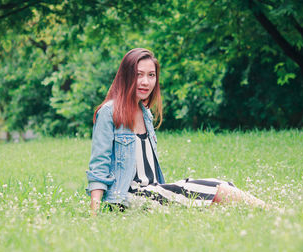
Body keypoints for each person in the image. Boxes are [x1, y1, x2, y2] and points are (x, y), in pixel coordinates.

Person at [86, 48, 266, 215]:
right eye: (138, 75)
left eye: (151, 75)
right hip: (129, 197)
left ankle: (266, 211)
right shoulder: (109, 112)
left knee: (223, 186)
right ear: (126, 77)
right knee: (217, 190)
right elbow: (99, 165)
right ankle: (272, 211)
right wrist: (95, 214)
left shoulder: (145, 113)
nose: (145, 82)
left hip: (154, 190)